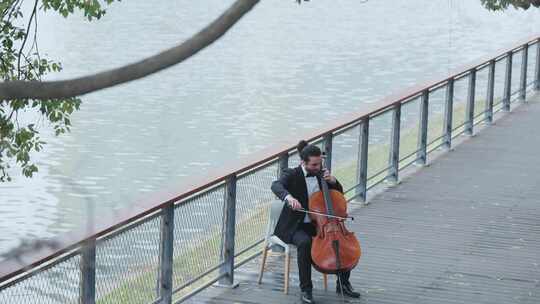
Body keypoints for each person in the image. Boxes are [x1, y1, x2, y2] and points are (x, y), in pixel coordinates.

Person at [271, 140, 360, 303]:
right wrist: (289, 198)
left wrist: (332, 181)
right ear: (303, 162)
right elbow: (276, 186)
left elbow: (338, 196)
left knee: (339, 241)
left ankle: (344, 284)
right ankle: (306, 290)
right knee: (304, 243)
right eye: (314, 165)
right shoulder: (292, 174)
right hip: (295, 226)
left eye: (319, 164)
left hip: (320, 225)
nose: (318, 168)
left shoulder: (322, 175)